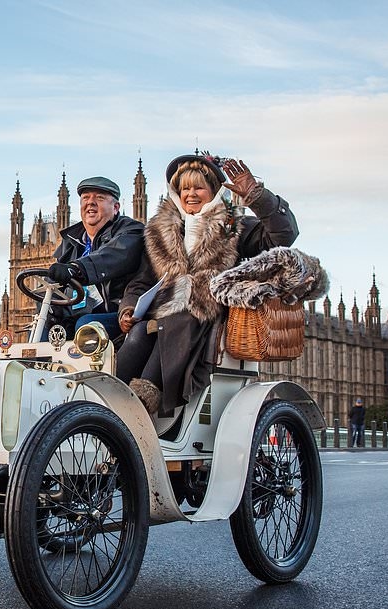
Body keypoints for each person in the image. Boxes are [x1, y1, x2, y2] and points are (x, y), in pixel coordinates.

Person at [115, 153, 299, 415]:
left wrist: (257, 196)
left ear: (213, 191)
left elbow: (283, 235)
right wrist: (129, 308)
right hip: (162, 315)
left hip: (208, 317)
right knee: (136, 336)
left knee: (177, 322)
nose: (191, 194)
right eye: (185, 188)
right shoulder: (159, 231)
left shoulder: (231, 224)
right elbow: (141, 281)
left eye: (198, 187)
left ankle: (145, 399)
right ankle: (110, 393)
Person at [46, 176, 145, 338]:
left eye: (99, 198)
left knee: (85, 325)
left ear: (115, 207)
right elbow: (54, 284)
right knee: (46, 327)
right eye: (86, 197)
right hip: (78, 315)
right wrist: (50, 313)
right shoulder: (70, 244)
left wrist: (76, 268)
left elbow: (114, 255)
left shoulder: (130, 231)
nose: (91, 202)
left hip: (118, 314)